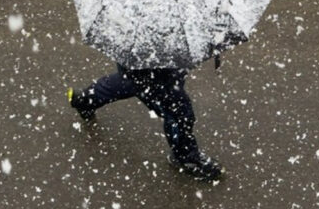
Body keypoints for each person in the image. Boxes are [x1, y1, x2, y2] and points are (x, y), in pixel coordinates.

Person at [67, 63, 224, 180]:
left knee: (129, 79)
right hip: (158, 71)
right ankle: (185, 156)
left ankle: (85, 100)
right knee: (179, 113)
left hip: (142, 60)